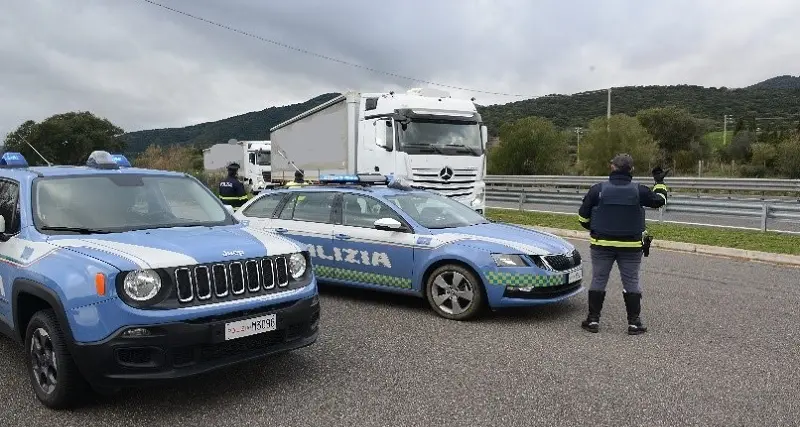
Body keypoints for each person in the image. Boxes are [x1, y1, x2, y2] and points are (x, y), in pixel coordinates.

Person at [577, 153, 669, 335]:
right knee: (631, 281)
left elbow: (582, 218)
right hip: (631, 246)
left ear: (612, 167)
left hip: (601, 245)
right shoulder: (639, 191)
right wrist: (659, 182)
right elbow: (661, 201)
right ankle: (634, 323)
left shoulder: (597, 190)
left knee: (598, 280)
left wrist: (596, 227)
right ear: (631, 170)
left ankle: (593, 320)